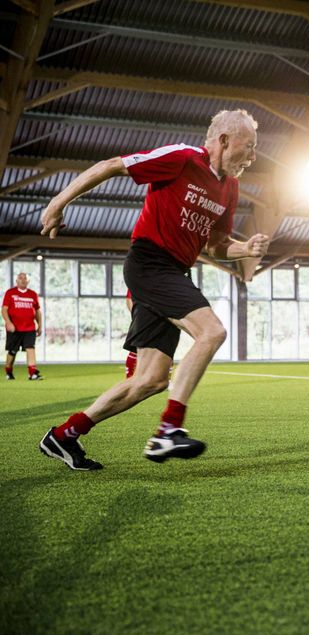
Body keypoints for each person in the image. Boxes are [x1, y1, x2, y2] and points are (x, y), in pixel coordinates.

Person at [37, 109, 268, 471]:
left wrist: (245, 249)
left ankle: (65, 435)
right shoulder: (182, 158)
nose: (253, 156)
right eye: (249, 146)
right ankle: (168, 430)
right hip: (149, 263)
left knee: (151, 380)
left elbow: (216, 244)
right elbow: (111, 165)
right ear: (224, 140)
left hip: (173, 272)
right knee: (212, 331)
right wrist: (58, 202)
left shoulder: (230, 188)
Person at [2, 272, 43, 381]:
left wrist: (39, 325)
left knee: (30, 348)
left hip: (29, 328)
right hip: (14, 328)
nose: (23, 280)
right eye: (20, 278)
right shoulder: (10, 293)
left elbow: (37, 311)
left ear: (28, 281)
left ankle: (32, 373)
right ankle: (8, 371)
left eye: (25, 278)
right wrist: (8, 322)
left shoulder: (33, 294)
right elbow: (4, 309)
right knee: (12, 351)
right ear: (16, 281)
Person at [124, 289, 137, 378]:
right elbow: (129, 298)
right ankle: (129, 377)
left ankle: (167, 379)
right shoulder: (138, 282)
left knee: (165, 350)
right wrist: (136, 316)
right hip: (142, 320)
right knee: (135, 349)